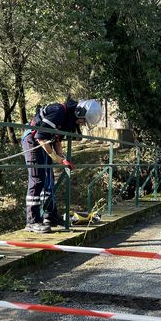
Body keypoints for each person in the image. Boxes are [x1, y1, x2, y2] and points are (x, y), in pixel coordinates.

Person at [22, 97, 102, 233]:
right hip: (33, 140)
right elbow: (41, 136)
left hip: (45, 141)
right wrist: (57, 159)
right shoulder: (58, 112)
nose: (81, 124)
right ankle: (32, 221)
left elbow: (57, 139)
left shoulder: (67, 119)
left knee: (49, 179)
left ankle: (50, 216)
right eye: (82, 121)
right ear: (78, 113)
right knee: (37, 179)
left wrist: (63, 158)